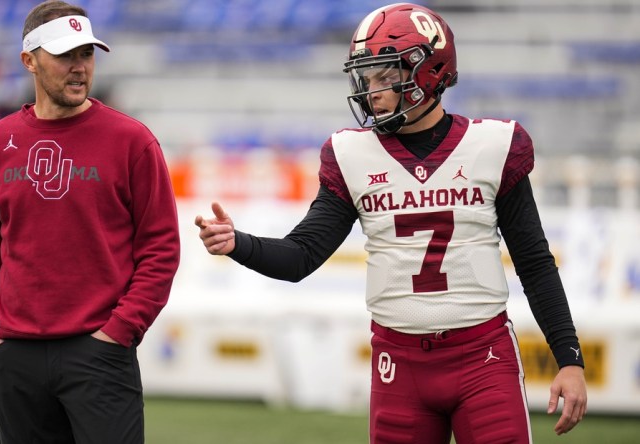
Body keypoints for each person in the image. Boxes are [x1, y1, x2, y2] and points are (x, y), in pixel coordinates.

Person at [195, 4, 587, 443]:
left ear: (428, 73)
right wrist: (237, 243)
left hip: (483, 356)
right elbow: (302, 255)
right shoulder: (351, 155)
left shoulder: (492, 145)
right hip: (399, 364)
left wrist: (569, 358)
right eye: (367, 78)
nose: (372, 91)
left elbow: (533, 263)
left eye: (385, 76)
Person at [0, 1, 181, 443]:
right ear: (30, 60)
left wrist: (118, 332)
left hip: (99, 352)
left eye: (87, 54)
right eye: (65, 55)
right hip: (14, 355)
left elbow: (161, 250)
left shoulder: (132, 141)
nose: (79, 67)